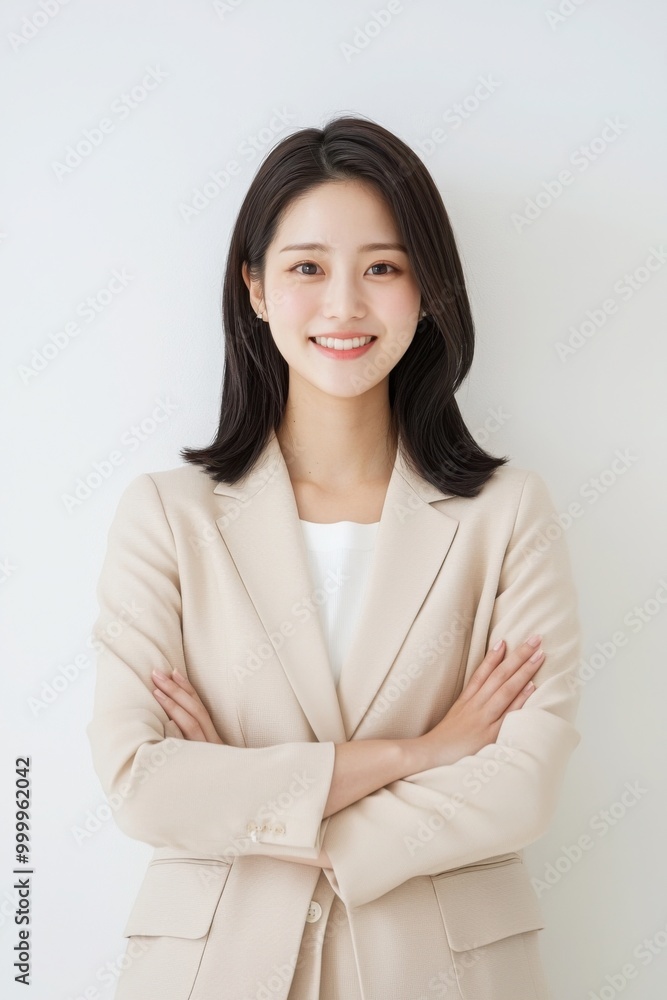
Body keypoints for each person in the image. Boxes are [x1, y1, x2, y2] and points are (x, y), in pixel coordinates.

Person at [86, 114, 583, 1000]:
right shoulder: (166, 515)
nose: (345, 305)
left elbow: (521, 785)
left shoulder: (507, 513)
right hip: (213, 968)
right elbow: (141, 784)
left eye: (382, 268)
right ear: (255, 287)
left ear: (427, 289)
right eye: (307, 267)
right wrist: (421, 752)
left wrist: (251, 798)